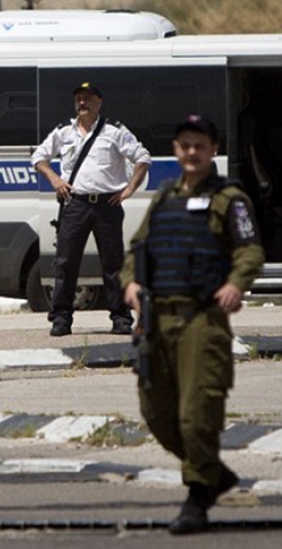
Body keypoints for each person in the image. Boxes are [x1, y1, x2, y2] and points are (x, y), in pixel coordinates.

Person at [120, 115, 265, 535]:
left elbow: (250, 251)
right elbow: (138, 248)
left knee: (196, 416)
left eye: (199, 145)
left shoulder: (230, 199)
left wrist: (236, 285)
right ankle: (214, 474)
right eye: (184, 145)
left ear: (213, 150)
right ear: (176, 148)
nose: (191, 152)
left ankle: (198, 496)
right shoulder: (165, 197)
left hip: (202, 320)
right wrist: (129, 282)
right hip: (156, 320)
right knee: (157, 413)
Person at [32, 82, 152, 337]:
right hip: (75, 205)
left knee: (114, 264)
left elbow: (142, 158)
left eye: (88, 98)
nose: (82, 102)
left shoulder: (114, 131)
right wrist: (55, 180)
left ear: (99, 102)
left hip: (107, 205)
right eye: (78, 98)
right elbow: (38, 158)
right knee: (65, 262)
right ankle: (61, 319)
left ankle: (121, 318)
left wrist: (129, 189)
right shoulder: (64, 132)